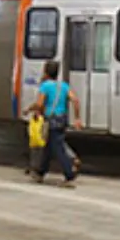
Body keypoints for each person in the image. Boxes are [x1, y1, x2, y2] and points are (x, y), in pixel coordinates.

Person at [26, 59, 80, 188]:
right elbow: (75, 100)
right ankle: (40, 172)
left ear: (45, 72)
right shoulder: (63, 86)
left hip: (51, 120)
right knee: (48, 147)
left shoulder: (45, 86)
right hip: (62, 119)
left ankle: (69, 173)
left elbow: (39, 104)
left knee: (57, 148)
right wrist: (77, 118)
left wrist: (29, 109)